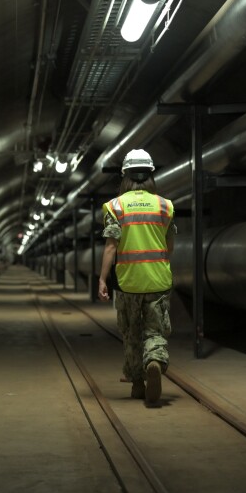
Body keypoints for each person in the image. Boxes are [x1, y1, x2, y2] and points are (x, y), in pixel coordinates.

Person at [98, 149, 175, 407]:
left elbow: (111, 246)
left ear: (125, 176)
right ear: (151, 174)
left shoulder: (115, 206)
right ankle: (153, 361)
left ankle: (137, 384)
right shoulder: (165, 206)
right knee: (155, 331)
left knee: (131, 333)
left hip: (128, 282)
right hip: (157, 280)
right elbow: (169, 245)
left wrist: (102, 279)